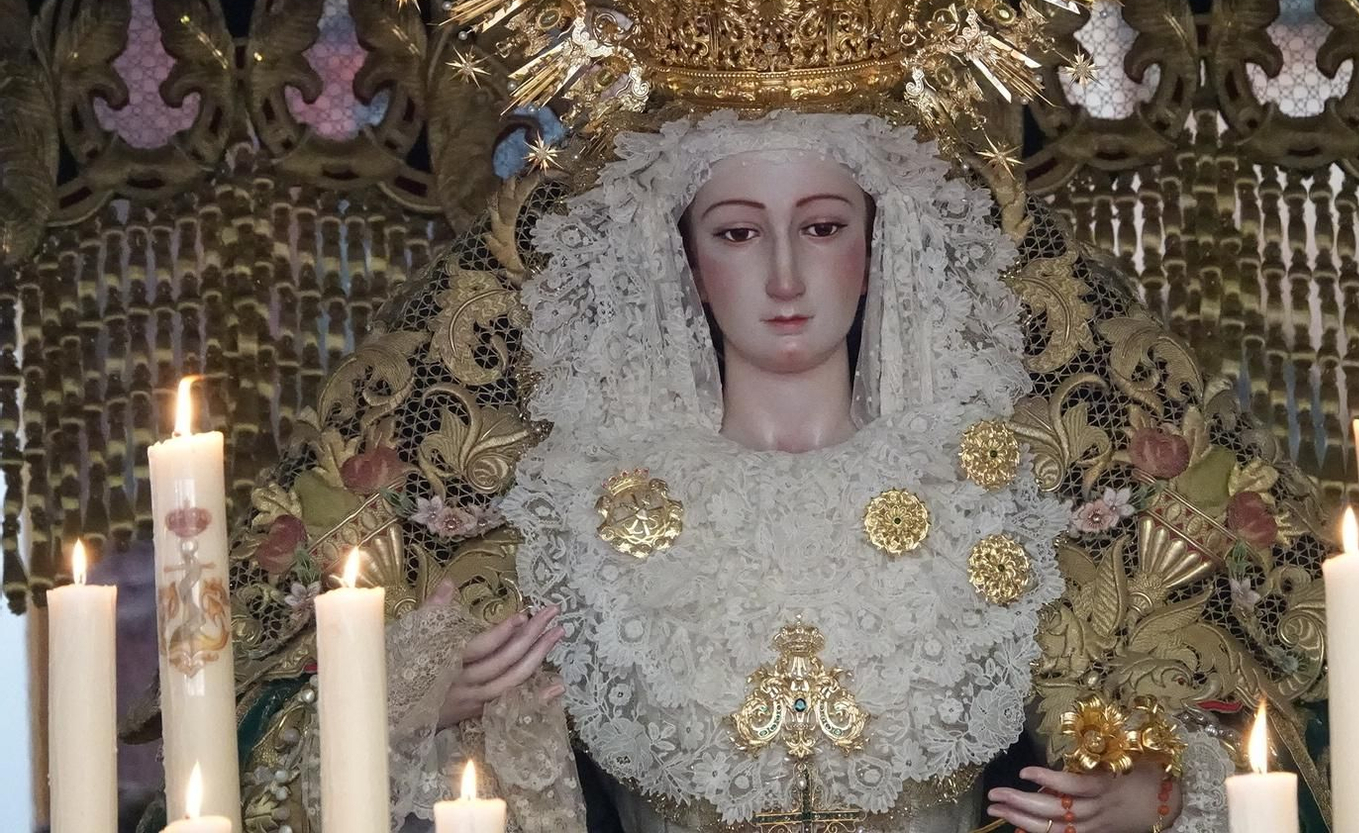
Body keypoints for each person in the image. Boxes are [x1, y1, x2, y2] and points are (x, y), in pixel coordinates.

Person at [358, 110, 1230, 833]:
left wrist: (1154, 791)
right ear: (689, 263)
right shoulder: (576, 510)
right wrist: (408, 706)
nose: (784, 274)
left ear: (874, 242)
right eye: (738, 232)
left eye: (821, 227)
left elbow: (1163, 714)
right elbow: (464, 777)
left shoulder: (981, 493)